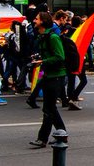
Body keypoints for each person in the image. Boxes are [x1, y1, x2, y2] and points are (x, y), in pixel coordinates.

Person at [29, 11, 66, 149]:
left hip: (56, 76)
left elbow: (60, 57)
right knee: (50, 108)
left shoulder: (52, 37)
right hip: (48, 75)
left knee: (48, 109)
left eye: (37, 19)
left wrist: (43, 61)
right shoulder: (43, 36)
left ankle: (42, 138)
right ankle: (62, 133)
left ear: (43, 22)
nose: (34, 20)